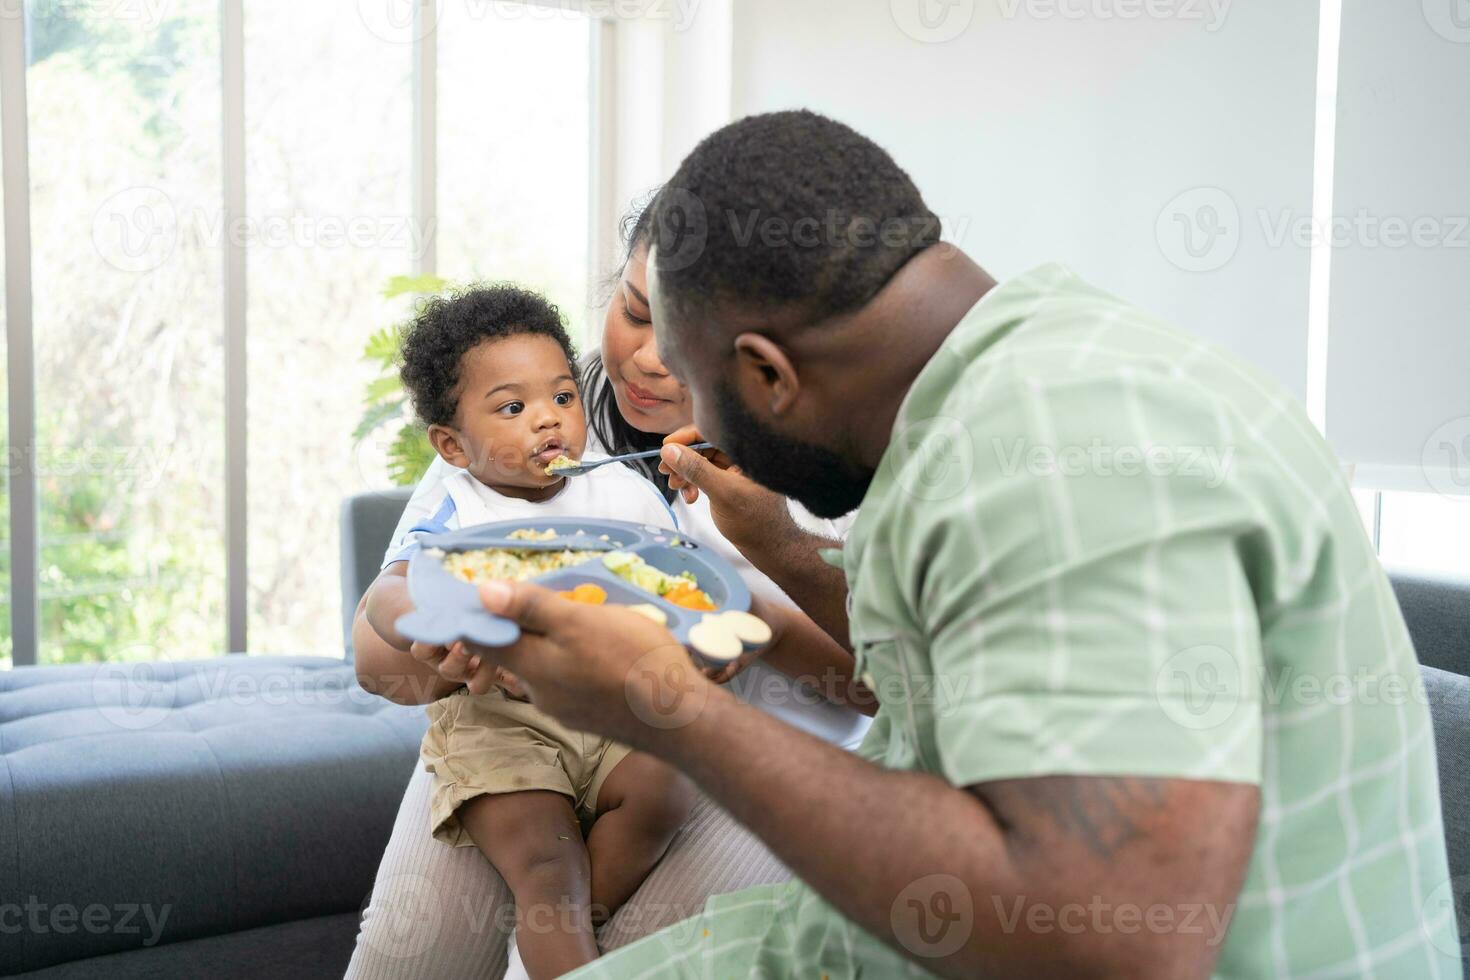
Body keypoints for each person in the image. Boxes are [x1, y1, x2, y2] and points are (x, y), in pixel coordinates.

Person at [452, 110, 1462, 978]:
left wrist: (666, 708)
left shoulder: (1057, 447)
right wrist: (788, 551)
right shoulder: (1003, 381)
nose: (693, 414)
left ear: (766, 374)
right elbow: (975, 673)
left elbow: (1111, 942)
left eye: (699, 385)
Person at [346, 201, 873, 979]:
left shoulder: (844, 462)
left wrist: (770, 564)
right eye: (634, 310)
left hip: (724, 768)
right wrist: (462, 649)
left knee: (573, 944)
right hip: (513, 728)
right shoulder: (539, 410)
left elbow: (887, 682)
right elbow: (376, 656)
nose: (650, 360)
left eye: (692, 337)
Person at [359, 283, 705, 978]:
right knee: (548, 867)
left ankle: (541, 949)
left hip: (610, 713)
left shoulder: (621, 488)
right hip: (502, 723)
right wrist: (435, 621)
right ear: (453, 445)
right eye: (514, 409)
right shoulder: (462, 501)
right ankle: (560, 938)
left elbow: (680, 577)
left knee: (668, 792)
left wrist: (698, 633)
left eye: (562, 398)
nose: (548, 421)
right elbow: (384, 598)